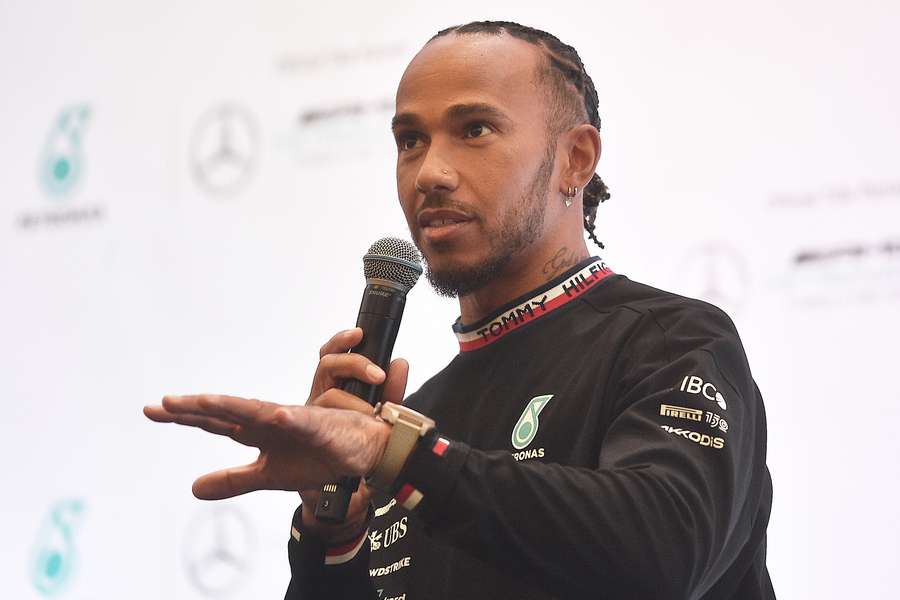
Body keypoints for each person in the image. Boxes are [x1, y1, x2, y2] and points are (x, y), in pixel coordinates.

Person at [145, 21, 775, 599]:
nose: (430, 173)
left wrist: (394, 454)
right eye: (410, 140)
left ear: (575, 160)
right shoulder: (418, 422)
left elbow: (662, 556)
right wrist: (329, 528)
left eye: (474, 129)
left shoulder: (670, 343)